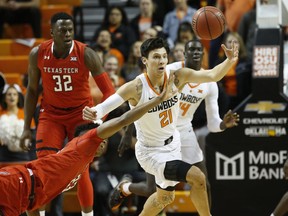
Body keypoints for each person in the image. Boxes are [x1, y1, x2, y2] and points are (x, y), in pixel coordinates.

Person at [82, 37, 239, 216]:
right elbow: (108, 104)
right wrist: (95, 111)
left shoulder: (177, 77)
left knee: (164, 198)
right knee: (198, 178)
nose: (162, 61)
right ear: (144, 61)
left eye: (164, 56)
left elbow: (212, 75)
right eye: (156, 57)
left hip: (173, 144)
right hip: (150, 152)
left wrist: (229, 61)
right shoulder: (136, 87)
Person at [0, 76, 175, 216]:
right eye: (103, 138)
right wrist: (157, 101)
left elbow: (34, 201)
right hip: (14, 184)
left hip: (23, 194)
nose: (105, 142)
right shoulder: (85, 142)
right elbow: (123, 120)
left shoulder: (82, 156)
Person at [19, 12, 115, 216]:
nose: (68, 34)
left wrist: (98, 119)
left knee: (80, 170)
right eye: (63, 30)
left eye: (71, 30)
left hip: (81, 116)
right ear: (52, 32)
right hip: (51, 115)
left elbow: (110, 92)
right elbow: (32, 91)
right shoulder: (38, 52)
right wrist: (27, 127)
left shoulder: (86, 53)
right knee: (43, 167)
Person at [0, 84, 36, 161]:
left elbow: (33, 135)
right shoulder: (1, 114)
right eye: (9, 94)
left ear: (18, 97)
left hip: (23, 154)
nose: (12, 97)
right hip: (4, 154)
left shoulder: (26, 114)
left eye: (14, 94)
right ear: (5, 97)